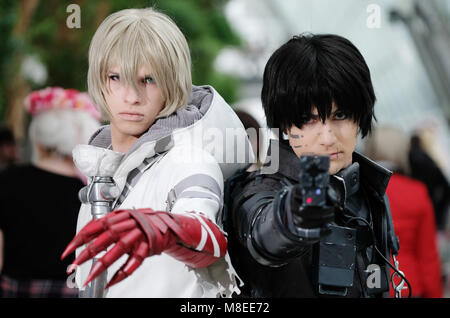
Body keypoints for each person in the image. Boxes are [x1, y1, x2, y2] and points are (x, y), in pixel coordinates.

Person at [60, 8, 252, 298]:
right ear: (99, 80)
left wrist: (168, 230)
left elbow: (206, 234)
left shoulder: (189, 160)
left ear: (171, 84)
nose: (132, 96)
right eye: (116, 77)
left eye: (148, 80)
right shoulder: (103, 168)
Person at [226, 34, 405, 298]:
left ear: (360, 116)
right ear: (285, 124)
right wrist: (296, 214)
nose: (327, 137)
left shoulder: (367, 188)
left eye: (340, 115)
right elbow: (264, 231)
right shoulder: (259, 189)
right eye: (307, 119)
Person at [0, 87, 101, 297]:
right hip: (74, 291)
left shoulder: (8, 180)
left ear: (38, 139)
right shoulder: (92, 193)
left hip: (15, 290)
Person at [365, 125, 443, 298]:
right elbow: (428, 255)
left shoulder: (359, 191)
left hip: (371, 284)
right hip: (409, 285)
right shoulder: (416, 191)